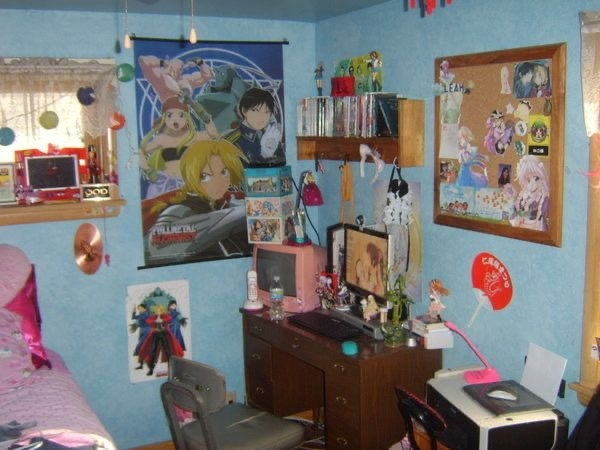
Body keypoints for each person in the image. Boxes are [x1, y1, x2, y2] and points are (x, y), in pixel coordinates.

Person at [146, 139, 251, 261]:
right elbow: (158, 244)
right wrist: (243, 212)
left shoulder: (224, 203)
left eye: (224, 172)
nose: (218, 182)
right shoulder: (180, 209)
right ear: (190, 176)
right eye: (205, 176)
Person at [139, 96, 218, 199]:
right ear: (164, 118)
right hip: (164, 186)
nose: (175, 120)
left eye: (181, 115)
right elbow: (140, 152)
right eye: (170, 115)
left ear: (187, 117)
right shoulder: (162, 139)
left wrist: (195, 106)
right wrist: (150, 172)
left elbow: (213, 134)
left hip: (188, 185)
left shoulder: (192, 137)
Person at [225, 87, 285, 167]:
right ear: (244, 111)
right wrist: (264, 156)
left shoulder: (270, 137)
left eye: (267, 112)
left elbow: (283, 164)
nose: (261, 117)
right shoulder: (232, 142)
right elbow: (236, 172)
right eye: (255, 110)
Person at [137, 304, 184, 376]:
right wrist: (155, 321)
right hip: (155, 335)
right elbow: (148, 321)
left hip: (164, 334)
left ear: (162, 310)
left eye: (160, 310)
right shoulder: (154, 317)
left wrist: (162, 320)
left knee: (168, 350)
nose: (158, 311)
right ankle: (151, 369)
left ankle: (171, 368)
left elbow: (169, 319)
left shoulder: (164, 316)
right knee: (152, 350)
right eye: (157, 310)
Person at [510, 154, 549, 231]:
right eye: (528, 180)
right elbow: (509, 215)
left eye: (536, 178)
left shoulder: (545, 201)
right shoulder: (521, 199)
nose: (533, 184)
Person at [131, 303, 150, 370]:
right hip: (142, 330)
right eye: (139, 308)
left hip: (146, 330)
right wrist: (134, 311)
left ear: (144, 309)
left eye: (141, 308)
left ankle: (147, 365)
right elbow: (133, 317)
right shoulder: (141, 314)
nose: (139, 309)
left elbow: (144, 319)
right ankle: (141, 364)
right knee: (141, 347)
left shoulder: (146, 314)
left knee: (142, 346)